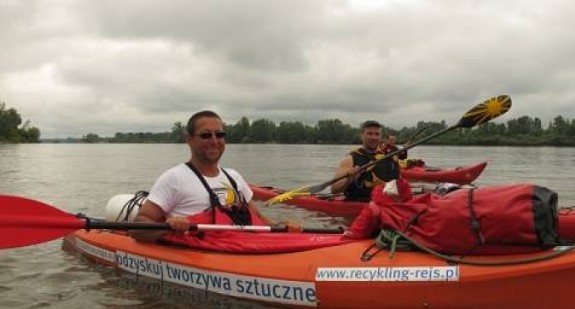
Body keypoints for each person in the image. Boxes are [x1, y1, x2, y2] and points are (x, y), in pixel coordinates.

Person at [132, 110, 302, 242]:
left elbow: (257, 218)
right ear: (189, 140)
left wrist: (282, 227)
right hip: (204, 252)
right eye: (206, 135)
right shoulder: (174, 178)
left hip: (242, 245)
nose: (214, 141)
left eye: (219, 134)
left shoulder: (234, 177)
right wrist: (167, 226)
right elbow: (138, 226)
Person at [330, 120, 401, 202]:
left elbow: (399, 186)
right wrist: (349, 179)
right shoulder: (350, 159)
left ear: (381, 136)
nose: (373, 137)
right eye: (369, 134)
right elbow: (334, 190)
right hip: (358, 204)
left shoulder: (390, 158)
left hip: (386, 204)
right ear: (362, 135)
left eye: (377, 134)